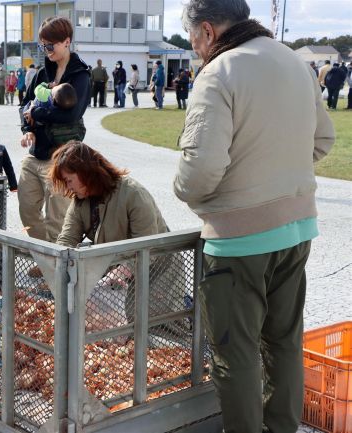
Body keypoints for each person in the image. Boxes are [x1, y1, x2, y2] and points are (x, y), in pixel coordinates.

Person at [173, 1, 335, 432]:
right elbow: (323, 139)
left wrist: (190, 191)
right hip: (297, 228)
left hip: (239, 239)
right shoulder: (291, 59)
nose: (193, 47)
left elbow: (199, 172)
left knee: (235, 352)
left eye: (192, 39)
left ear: (206, 30)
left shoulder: (219, 72)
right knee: (284, 341)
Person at [51, 141, 170, 323]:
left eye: (69, 180)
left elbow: (148, 245)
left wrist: (123, 270)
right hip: (120, 273)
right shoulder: (80, 201)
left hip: (158, 267)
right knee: (116, 323)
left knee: (157, 323)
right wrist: (57, 265)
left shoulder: (133, 193)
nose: (68, 188)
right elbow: (67, 238)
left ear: (86, 172)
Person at [18, 16, 90, 243]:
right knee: (27, 210)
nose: (46, 50)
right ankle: (45, 258)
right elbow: (24, 104)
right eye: (43, 45)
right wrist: (26, 128)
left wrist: (36, 114)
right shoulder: (41, 73)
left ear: (66, 41)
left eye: (50, 45)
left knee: (58, 217)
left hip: (62, 157)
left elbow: (72, 114)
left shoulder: (80, 75)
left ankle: (55, 272)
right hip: (36, 153)